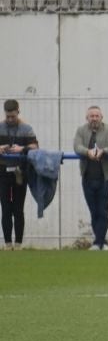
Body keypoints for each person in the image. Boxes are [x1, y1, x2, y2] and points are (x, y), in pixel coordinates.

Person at [72, 105, 108, 250]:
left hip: (105, 177)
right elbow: (77, 146)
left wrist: (103, 151)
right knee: (93, 211)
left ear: (101, 117)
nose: (94, 118)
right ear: (87, 118)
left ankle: (100, 242)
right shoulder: (81, 130)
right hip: (87, 177)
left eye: (97, 116)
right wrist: (87, 152)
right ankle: (100, 241)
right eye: (91, 116)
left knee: (103, 210)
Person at [2, 99, 40, 247]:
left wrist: (22, 149)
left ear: (18, 111)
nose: (10, 119)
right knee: (5, 209)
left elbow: (35, 146)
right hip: (2, 172)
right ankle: (7, 244)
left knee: (18, 209)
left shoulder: (26, 128)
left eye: (13, 116)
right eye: (8, 116)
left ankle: (18, 244)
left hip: (20, 172)